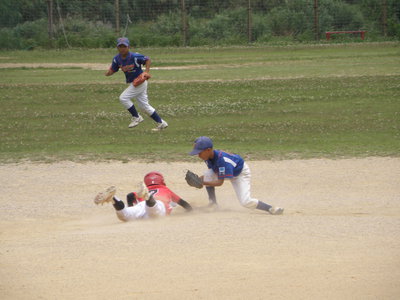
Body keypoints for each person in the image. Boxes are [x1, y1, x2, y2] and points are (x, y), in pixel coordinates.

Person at [189, 136, 284, 215]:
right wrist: (200, 179)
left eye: (199, 152)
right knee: (207, 174)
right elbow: (214, 171)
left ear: (208, 150)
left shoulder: (222, 161)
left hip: (240, 174)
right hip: (228, 169)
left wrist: (203, 182)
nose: (198, 155)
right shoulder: (207, 157)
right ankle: (213, 203)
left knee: (245, 201)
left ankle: (271, 208)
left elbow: (219, 182)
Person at [105, 37, 168, 131]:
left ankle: (136, 117)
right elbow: (113, 69)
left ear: (128, 47)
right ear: (117, 47)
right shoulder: (117, 59)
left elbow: (147, 59)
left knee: (123, 98)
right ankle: (161, 123)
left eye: (124, 46)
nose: (122, 48)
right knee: (144, 106)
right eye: (120, 46)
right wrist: (108, 73)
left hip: (140, 82)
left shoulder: (134, 56)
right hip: (134, 82)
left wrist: (146, 71)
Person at [94, 171, 192, 221]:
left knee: (124, 216)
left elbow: (130, 196)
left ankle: (113, 199)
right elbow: (183, 203)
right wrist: (191, 211)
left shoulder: (146, 189)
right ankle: (148, 197)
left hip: (141, 206)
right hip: (157, 205)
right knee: (155, 212)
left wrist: (132, 207)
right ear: (161, 181)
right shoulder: (165, 189)